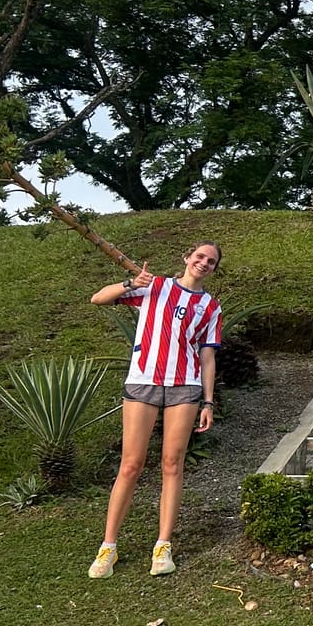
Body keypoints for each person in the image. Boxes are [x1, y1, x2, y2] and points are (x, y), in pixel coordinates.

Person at [86, 243, 224, 577]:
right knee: (131, 464)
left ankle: (163, 547)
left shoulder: (210, 306)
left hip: (185, 386)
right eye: (200, 256)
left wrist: (208, 401)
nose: (203, 263)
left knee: (172, 464)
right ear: (186, 257)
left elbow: (207, 356)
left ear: (214, 270)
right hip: (143, 381)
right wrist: (131, 283)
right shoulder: (155, 286)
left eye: (211, 261)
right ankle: (108, 547)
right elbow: (98, 299)